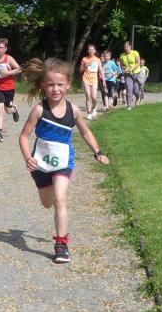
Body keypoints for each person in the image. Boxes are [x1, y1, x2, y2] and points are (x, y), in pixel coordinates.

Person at [18, 57, 109, 263]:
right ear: (43, 85)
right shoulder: (39, 110)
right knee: (47, 203)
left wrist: (98, 151)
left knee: (60, 198)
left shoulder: (73, 110)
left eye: (60, 84)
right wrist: (28, 157)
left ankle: (61, 244)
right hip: (41, 164)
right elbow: (23, 136)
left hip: (64, 162)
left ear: (68, 84)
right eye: (51, 84)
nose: (55, 89)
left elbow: (85, 132)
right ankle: (47, 186)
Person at [0, 38, 21, 142]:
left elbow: (19, 69)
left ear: (5, 49)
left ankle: (14, 110)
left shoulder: (9, 58)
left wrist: (7, 73)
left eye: (1, 47)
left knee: (8, 110)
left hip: (9, 88)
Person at [79, 44, 104, 119]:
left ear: (95, 51)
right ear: (87, 51)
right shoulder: (84, 59)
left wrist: (104, 81)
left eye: (92, 49)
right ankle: (89, 113)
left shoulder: (97, 60)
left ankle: (94, 108)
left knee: (94, 97)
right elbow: (80, 70)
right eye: (89, 49)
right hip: (86, 79)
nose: (91, 51)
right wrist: (85, 66)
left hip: (94, 80)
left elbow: (100, 71)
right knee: (88, 96)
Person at [119, 41, 142, 110]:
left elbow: (138, 63)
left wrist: (131, 69)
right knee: (129, 89)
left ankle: (138, 97)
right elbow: (121, 65)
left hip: (136, 73)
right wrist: (123, 69)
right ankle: (129, 105)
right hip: (127, 74)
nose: (126, 48)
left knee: (135, 90)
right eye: (124, 47)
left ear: (130, 47)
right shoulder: (122, 55)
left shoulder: (135, 53)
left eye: (127, 46)